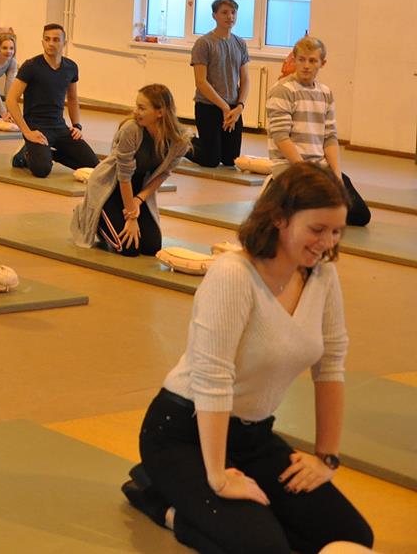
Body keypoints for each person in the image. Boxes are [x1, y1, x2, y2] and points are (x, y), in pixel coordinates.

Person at [121, 163, 374, 554]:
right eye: (317, 229)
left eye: (336, 231)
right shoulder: (233, 275)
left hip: (253, 437)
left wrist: (325, 458)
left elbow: (331, 366)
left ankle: (212, 508)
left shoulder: (322, 275)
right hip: (183, 435)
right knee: (264, 549)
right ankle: (163, 502)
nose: (326, 243)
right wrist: (219, 476)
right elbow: (213, 379)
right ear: (279, 218)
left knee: (351, 536)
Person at [70, 85, 189, 257]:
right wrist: (131, 217)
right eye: (136, 106)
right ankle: (92, 214)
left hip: (137, 190)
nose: (136, 111)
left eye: (142, 108)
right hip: (111, 188)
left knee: (151, 247)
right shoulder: (131, 129)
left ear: (160, 112)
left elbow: (163, 174)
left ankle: (113, 217)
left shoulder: (180, 141)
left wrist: (138, 200)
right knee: (128, 248)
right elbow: (124, 175)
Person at [265, 36, 370, 226]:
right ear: (294, 60)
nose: (306, 66)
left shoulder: (325, 92)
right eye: (301, 59)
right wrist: (306, 171)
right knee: (310, 216)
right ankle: (274, 191)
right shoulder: (282, 90)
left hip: (319, 167)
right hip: (292, 167)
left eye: (312, 61)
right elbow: (281, 137)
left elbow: (330, 137)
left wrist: (336, 175)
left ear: (322, 63)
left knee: (359, 215)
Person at [7, 23, 99, 179]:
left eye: (56, 40)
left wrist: (77, 126)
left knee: (93, 165)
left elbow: (72, 98)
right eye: (47, 39)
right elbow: (11, 99)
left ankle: (48, 153)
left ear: (64, 42)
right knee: (42, 170)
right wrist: (27, 132)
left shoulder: (71, 67)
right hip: (36, 127)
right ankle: (26, 154)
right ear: (42, 41)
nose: (51, 43)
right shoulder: (31, 66)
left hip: (59, 127)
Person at [189, 0, 250, 168]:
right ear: (214, 15)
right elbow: (201, 82)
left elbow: (245, 79)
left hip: (233, 109)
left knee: (231, 160)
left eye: (233, 12)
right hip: (208, 106)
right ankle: (180, 140)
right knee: (211, 160)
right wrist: (224, 107)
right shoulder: (204, 43)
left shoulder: (240, 43)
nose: (230, 16)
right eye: (224, 12)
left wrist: (239, 107)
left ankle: (210, 144)